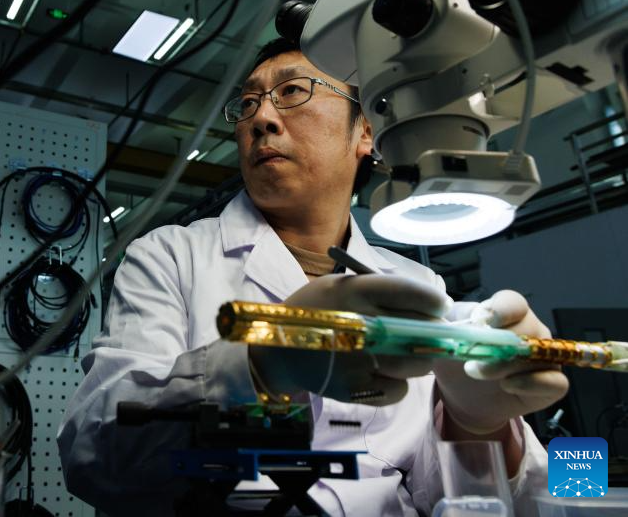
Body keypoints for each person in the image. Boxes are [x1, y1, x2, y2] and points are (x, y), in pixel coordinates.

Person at [57, 38, 567, 516]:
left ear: (365, 132)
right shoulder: (172, 257)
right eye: (249, 103)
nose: (261, 118)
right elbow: (93, 454)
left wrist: (479, 426)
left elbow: (477, 498)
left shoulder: (418, 285)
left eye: (293, 91)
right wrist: (259, 365)